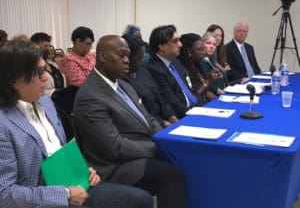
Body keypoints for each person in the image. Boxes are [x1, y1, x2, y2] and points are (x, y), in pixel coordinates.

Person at [0, 40, 154, 208]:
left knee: (142, 199)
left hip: (72, 183)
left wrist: (82, 169)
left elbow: (61, 151)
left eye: (45, 69)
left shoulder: (45, 102)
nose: (46, 77)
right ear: (14, 80)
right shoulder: (4, 123)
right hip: (43, 199)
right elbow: (5, 195)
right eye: (38, 72)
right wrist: (64, 195)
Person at [73, 35, 187, 208]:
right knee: (172, 175)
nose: (127, 60)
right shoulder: (90, 96)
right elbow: (114, 147)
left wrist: (163, 139)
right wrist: (156, 148)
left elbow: (149, 118)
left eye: (128, 55)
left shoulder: (124, 85)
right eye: (121, 55)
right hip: (114, 166)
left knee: (184, 160)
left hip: (137, 151)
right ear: (103, 57)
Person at [122, 33, 178, 128]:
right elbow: (141, 113)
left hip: (164, 121)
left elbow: (161, 99)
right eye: (139, 58)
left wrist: (173, 119)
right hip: (150, 126)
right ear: (128, 58)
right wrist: (163, 124)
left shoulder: (143, 71)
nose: (143, 60)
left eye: (143, 56)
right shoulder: (122, 81)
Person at [146, 25, 202, 119]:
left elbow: (191, 88)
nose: (180, 45)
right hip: (183, 116)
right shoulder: (154, 69)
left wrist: (201, 107)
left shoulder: (175, 61)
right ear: (161, 46)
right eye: (175, 41)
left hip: (195, 110)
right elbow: (171, 101)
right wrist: (194, 115)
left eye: (179, 40)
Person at [178, 33, 220, 102]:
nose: (203, 52)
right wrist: (208, 81)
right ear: (189, 51)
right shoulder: (183, 69)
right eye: (198, 49)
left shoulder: (197, 64)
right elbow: (192, 97)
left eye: (203, 49)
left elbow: (206, 92)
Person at [30, 32, 67, 96]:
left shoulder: (53, 64)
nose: (49, 49)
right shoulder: (33, 67)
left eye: (49, 46)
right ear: (36, 48)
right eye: (45, 46)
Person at [198, 32, 228, 96]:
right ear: (202, 44)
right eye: (208, 43)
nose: (211, 46)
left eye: (214, 44)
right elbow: (205, 82)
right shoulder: (200, 61)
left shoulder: (213, 62)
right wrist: (217, 90)